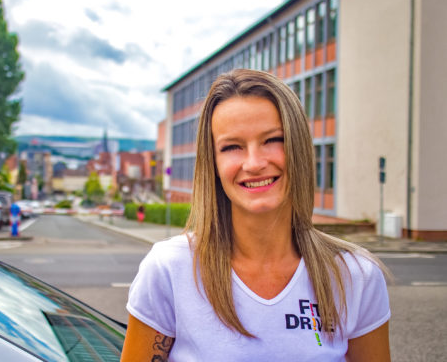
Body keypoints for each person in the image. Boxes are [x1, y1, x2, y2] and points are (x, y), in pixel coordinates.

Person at [121, 69, 391, 361]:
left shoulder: (355, 276)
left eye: (272, 140)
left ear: (298, 147)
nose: (254, 163)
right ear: (213, 163)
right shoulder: (170, 269)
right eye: (232, 146)